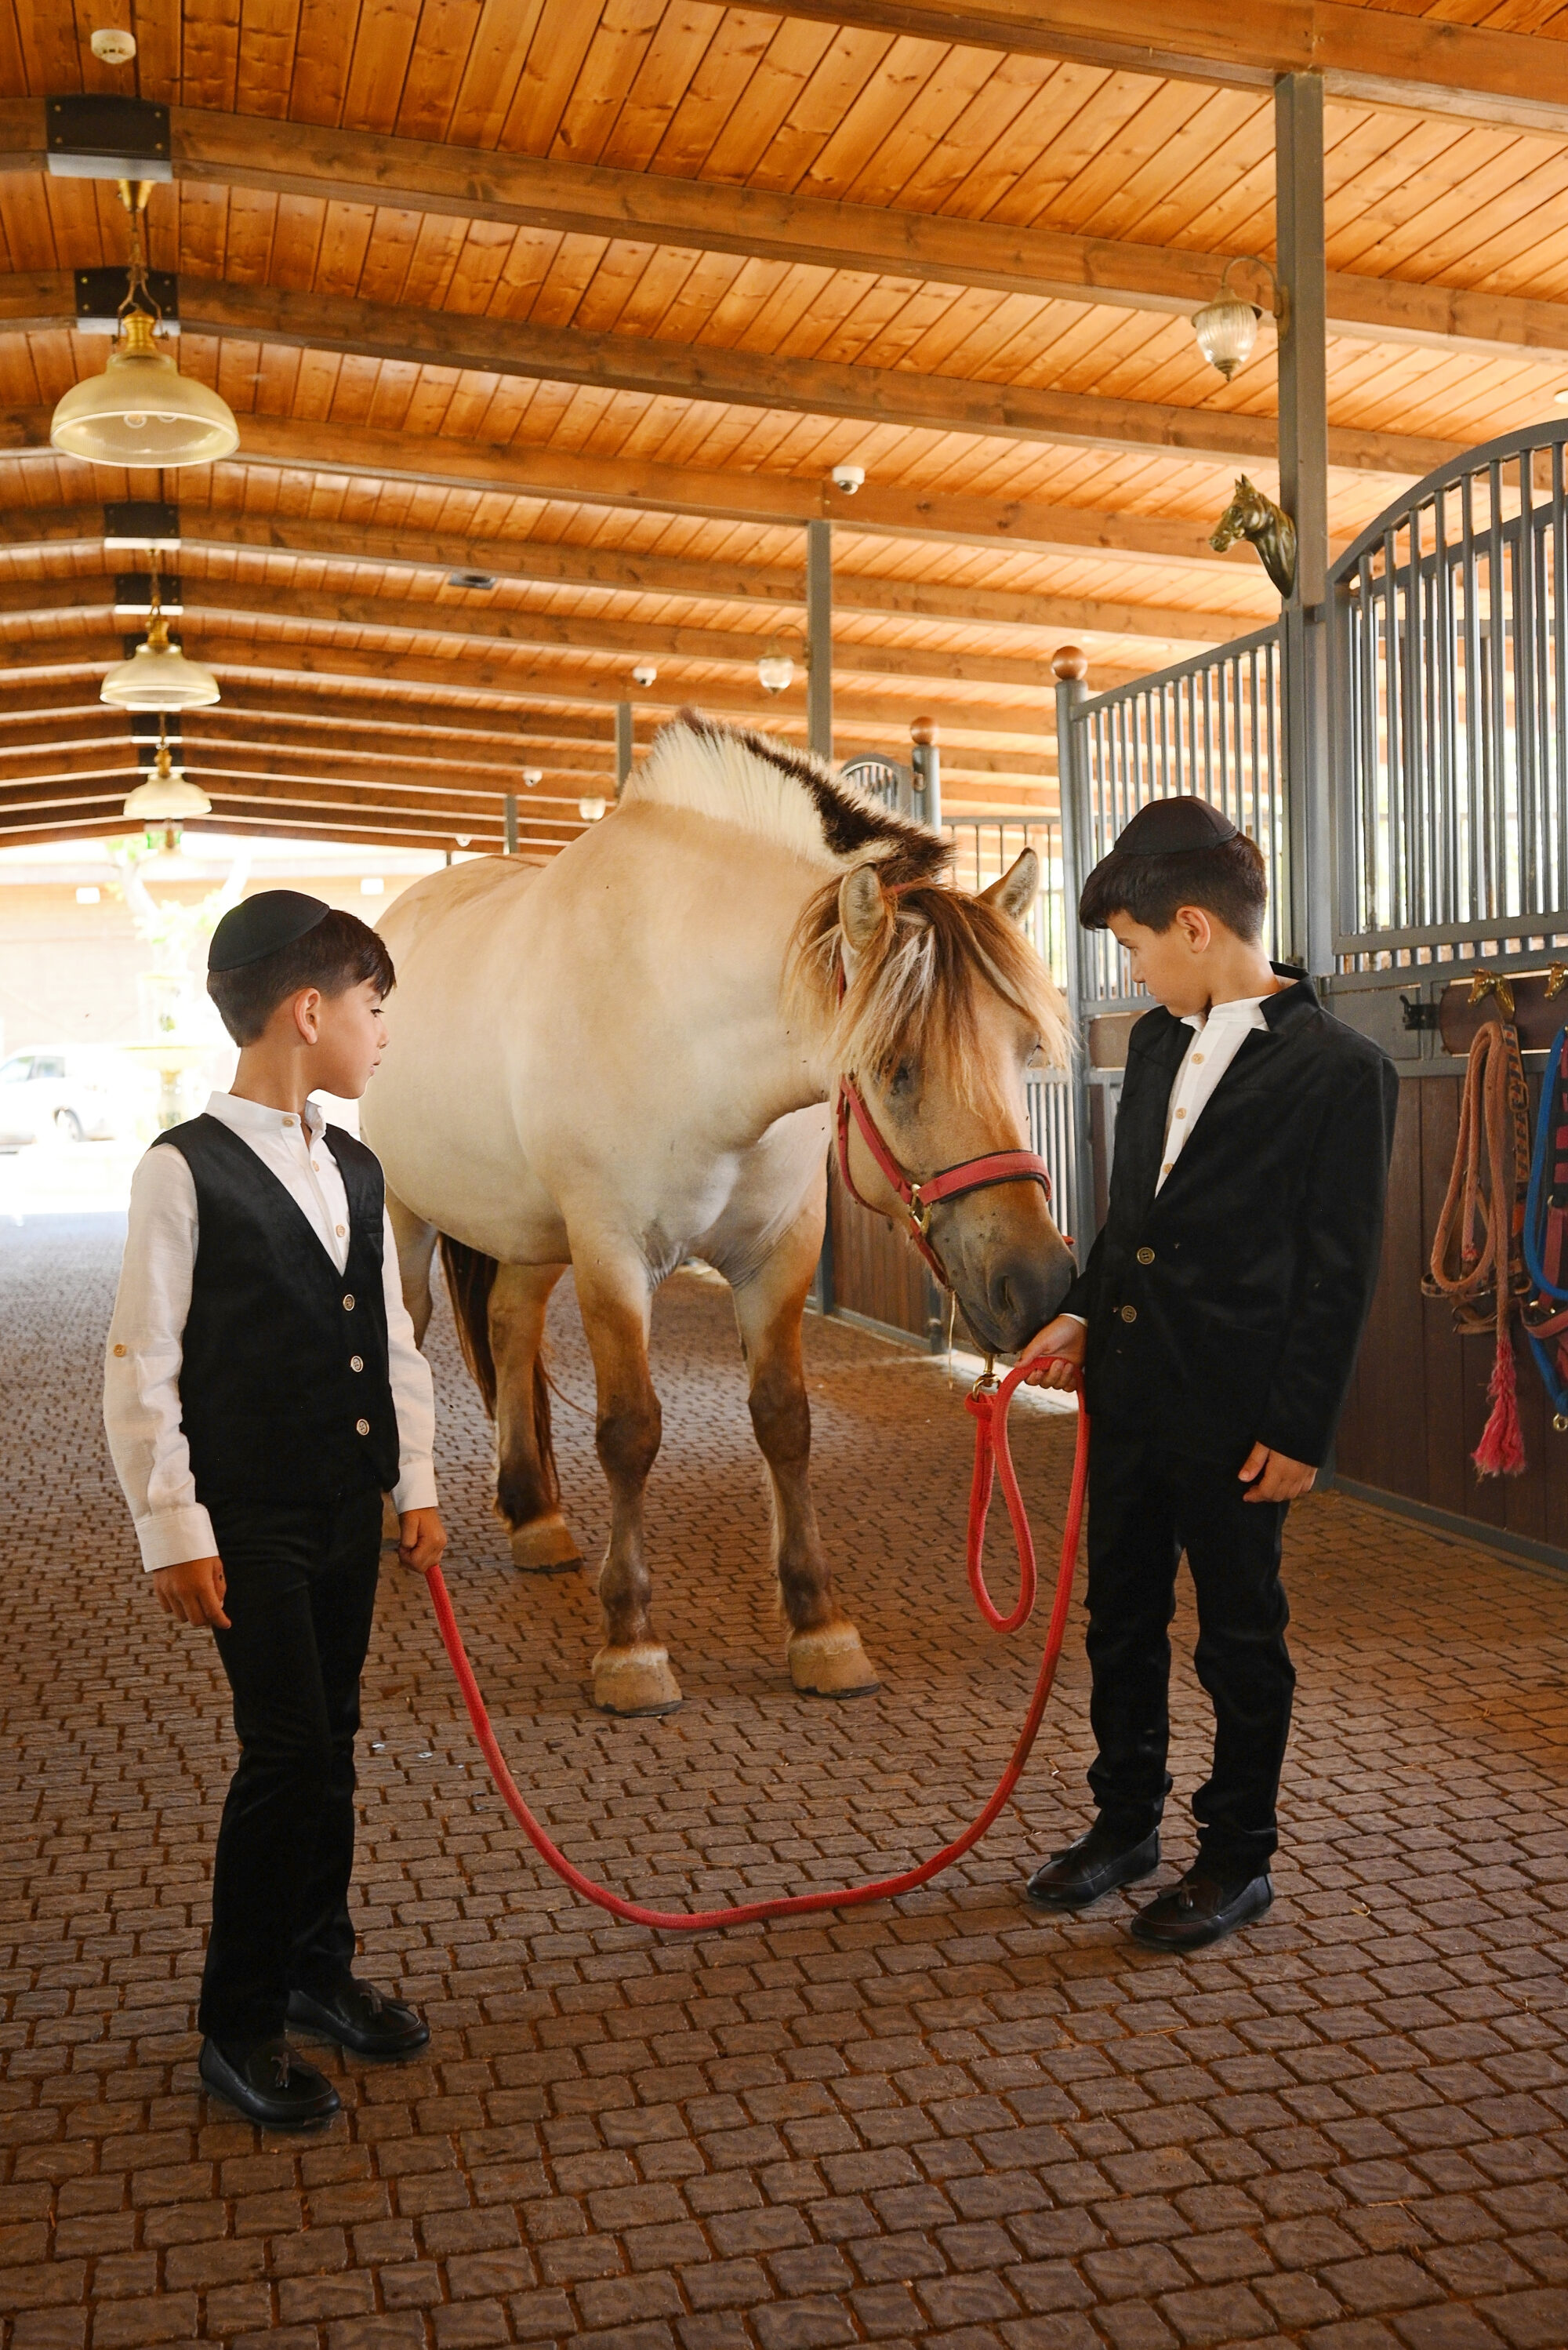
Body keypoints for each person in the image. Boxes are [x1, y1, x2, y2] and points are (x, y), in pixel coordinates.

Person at [1021, 800, 1397, 1950]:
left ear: (1193, 927)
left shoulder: (1342, 1072)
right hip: (1130, 1392)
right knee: (1119, 1616)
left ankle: (1236, 1856)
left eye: (1133, 948)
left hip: (1239, 1417)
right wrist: (1082, 1311)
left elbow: (1339, 1273)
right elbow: (1132, 1208)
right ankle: (1124, 1823)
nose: (1131, 976)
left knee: (1238, 1637)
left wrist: (1300, 1429)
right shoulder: (1152, 1042)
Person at [104, 890, 448, 2126]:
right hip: (246, 1522)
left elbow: (396, 1339)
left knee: (335, 1740)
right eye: (374, 1008)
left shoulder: (355, 1162)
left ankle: (317, 1970)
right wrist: (174, 1527)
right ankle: (237, 2018)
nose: (383, 1034)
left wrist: (414, 1479)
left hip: (347, 1511)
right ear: (310, 1013)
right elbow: (141, 1360)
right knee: (288, 1751)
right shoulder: (180, 1170)